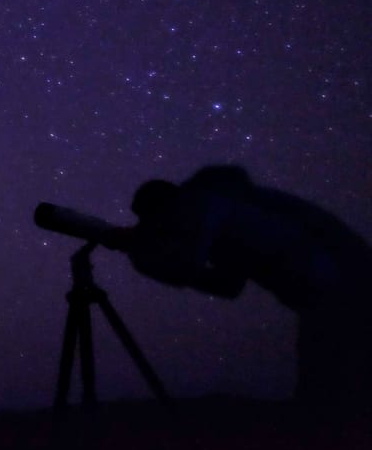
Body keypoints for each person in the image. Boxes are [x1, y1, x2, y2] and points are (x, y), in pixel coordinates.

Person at [126, 165, 372, 408]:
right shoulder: (222, 219)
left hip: (340, 283)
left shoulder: (202, 205)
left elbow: (186, 266)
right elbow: (227, 286)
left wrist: (143, 256)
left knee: (330, 392)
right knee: (329, 386)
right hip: (327, 289)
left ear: (165, 209)